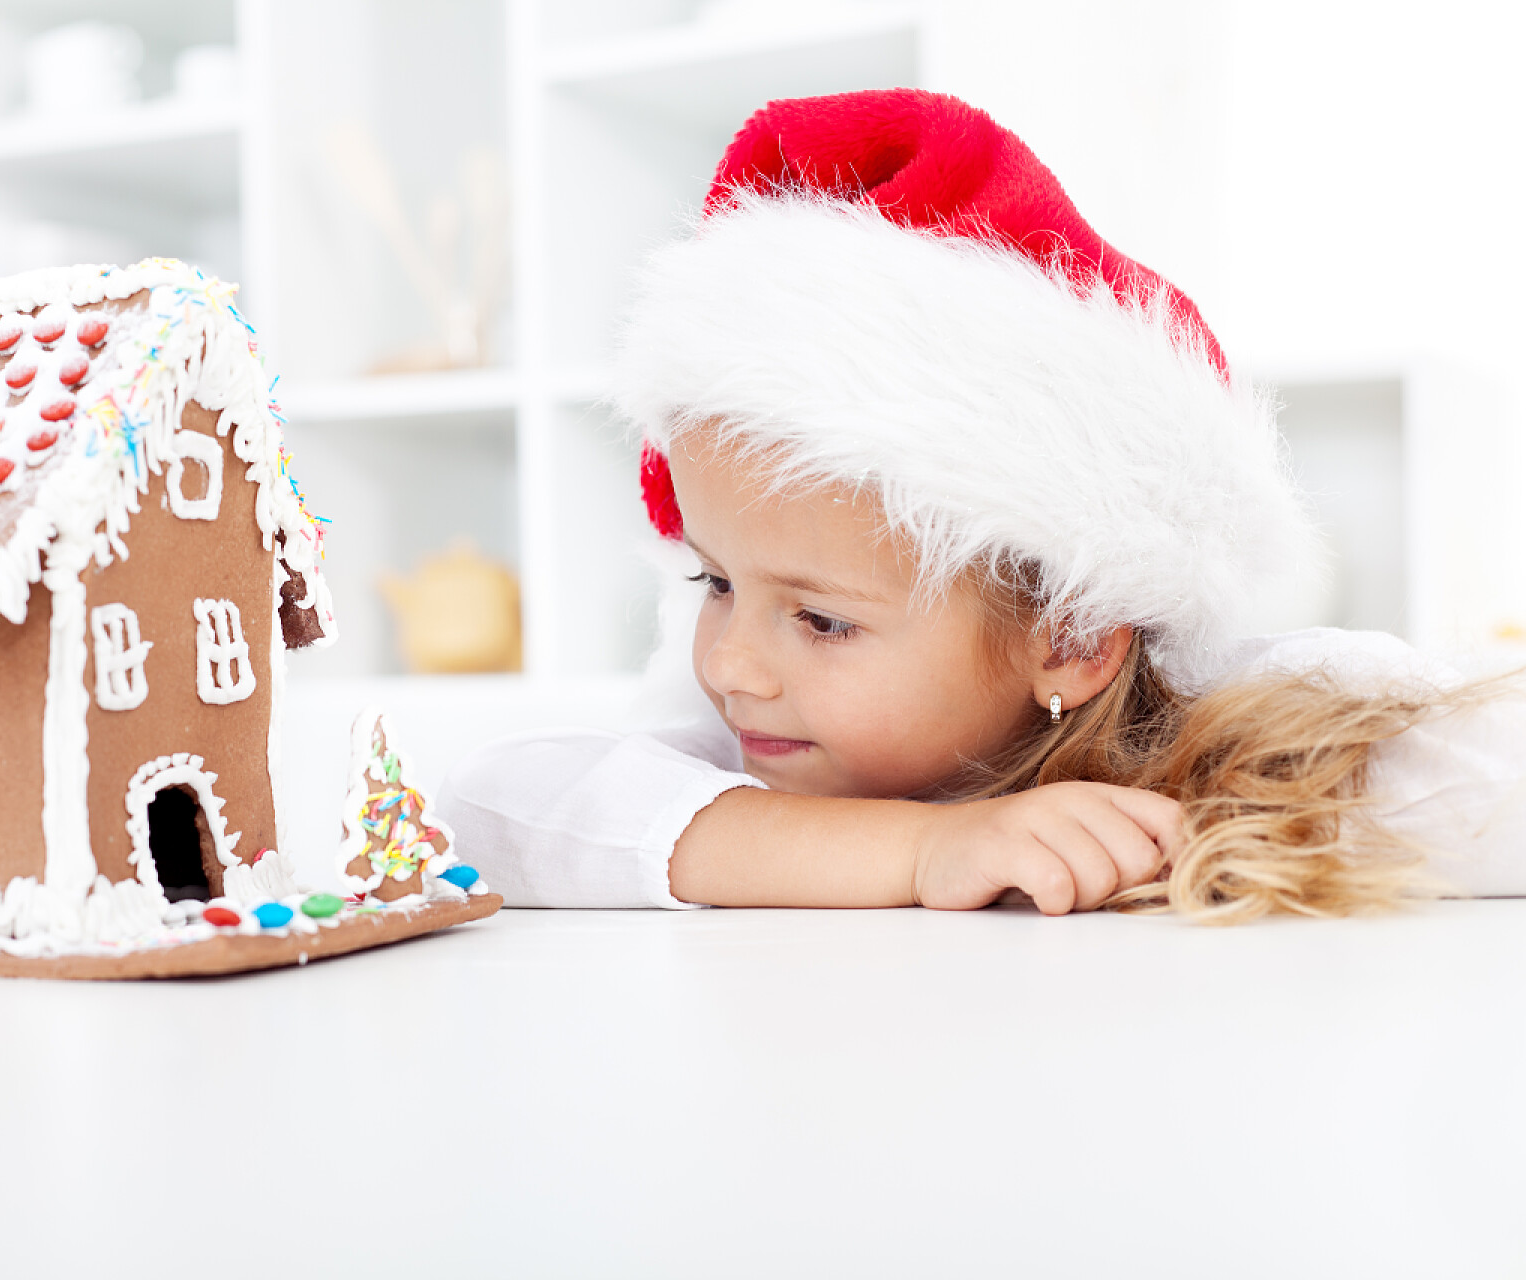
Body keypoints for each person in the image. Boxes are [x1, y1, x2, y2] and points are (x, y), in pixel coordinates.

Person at [438, 89, 1526, 921]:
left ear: (1074, 634)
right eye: (716, 580)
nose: (730, 664)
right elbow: (495, 805)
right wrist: (918, 854)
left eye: (820, 617)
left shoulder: (1233, 728)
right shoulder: (774, 752)